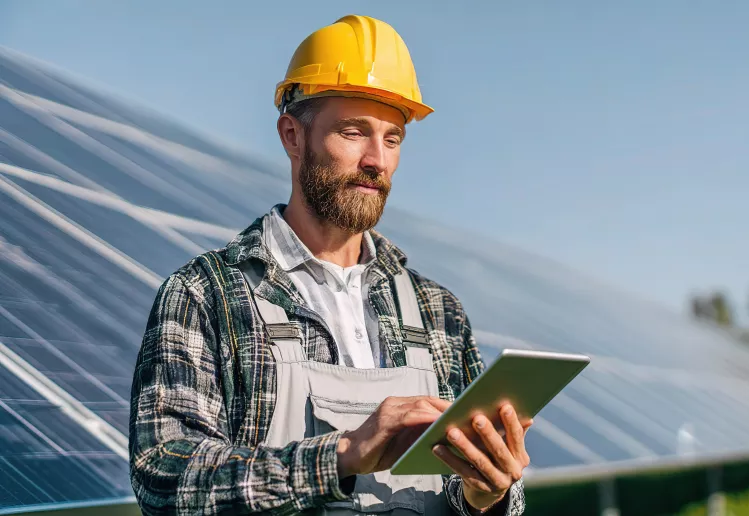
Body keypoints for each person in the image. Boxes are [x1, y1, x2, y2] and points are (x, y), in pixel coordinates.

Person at [129, 14, 530, 515]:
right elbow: (165, 480)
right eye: (353, 132)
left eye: (392, 138)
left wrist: (485, 496)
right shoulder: (206, 296)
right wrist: (342, 455)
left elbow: (466, 496)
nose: (376, 161)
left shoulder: (437, 311)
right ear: (292, 136)